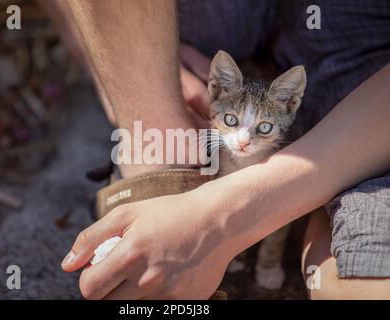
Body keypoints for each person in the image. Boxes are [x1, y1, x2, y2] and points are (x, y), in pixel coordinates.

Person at [40, 0, 390, 299]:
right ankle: (157, 150)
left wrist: (222, 219)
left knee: (361, 283)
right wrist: (131, 83)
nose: (242, 137)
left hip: (367, 35)